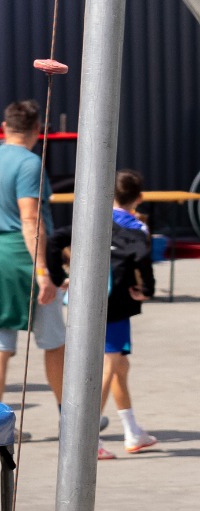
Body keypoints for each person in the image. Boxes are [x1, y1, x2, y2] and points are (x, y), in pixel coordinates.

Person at [0, 100, 66, 408]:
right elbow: (30, 218)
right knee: (55, 343)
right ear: (37, 130)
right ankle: (70, 417)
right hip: (22, 257)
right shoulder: (30, 163)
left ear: (5, 127)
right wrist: (42, 272)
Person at [99, 169, 157, 457]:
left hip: (95, 299)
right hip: (116, 303)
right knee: (109, 367)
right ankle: (88, 438)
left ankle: (132, 430)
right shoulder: (137, 227)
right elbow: (142, 264)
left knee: (119, 365)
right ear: (139, 198)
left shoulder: (97, 218)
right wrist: (144, 289)